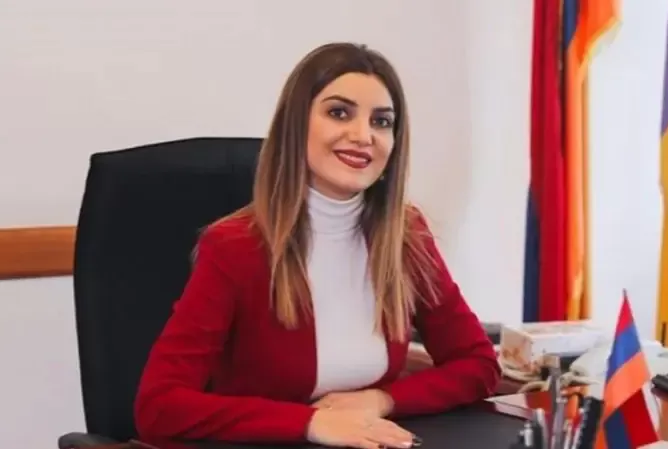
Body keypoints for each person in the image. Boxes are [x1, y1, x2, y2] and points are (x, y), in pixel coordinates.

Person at [134, 42, 501, 449]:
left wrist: (382, 400)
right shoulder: (234, 248)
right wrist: (310, 423)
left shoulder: (405, 237)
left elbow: (479, 364)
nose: (363, 136)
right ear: (296, 126)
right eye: (339, 113)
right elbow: (159, 406)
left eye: (381, 122)